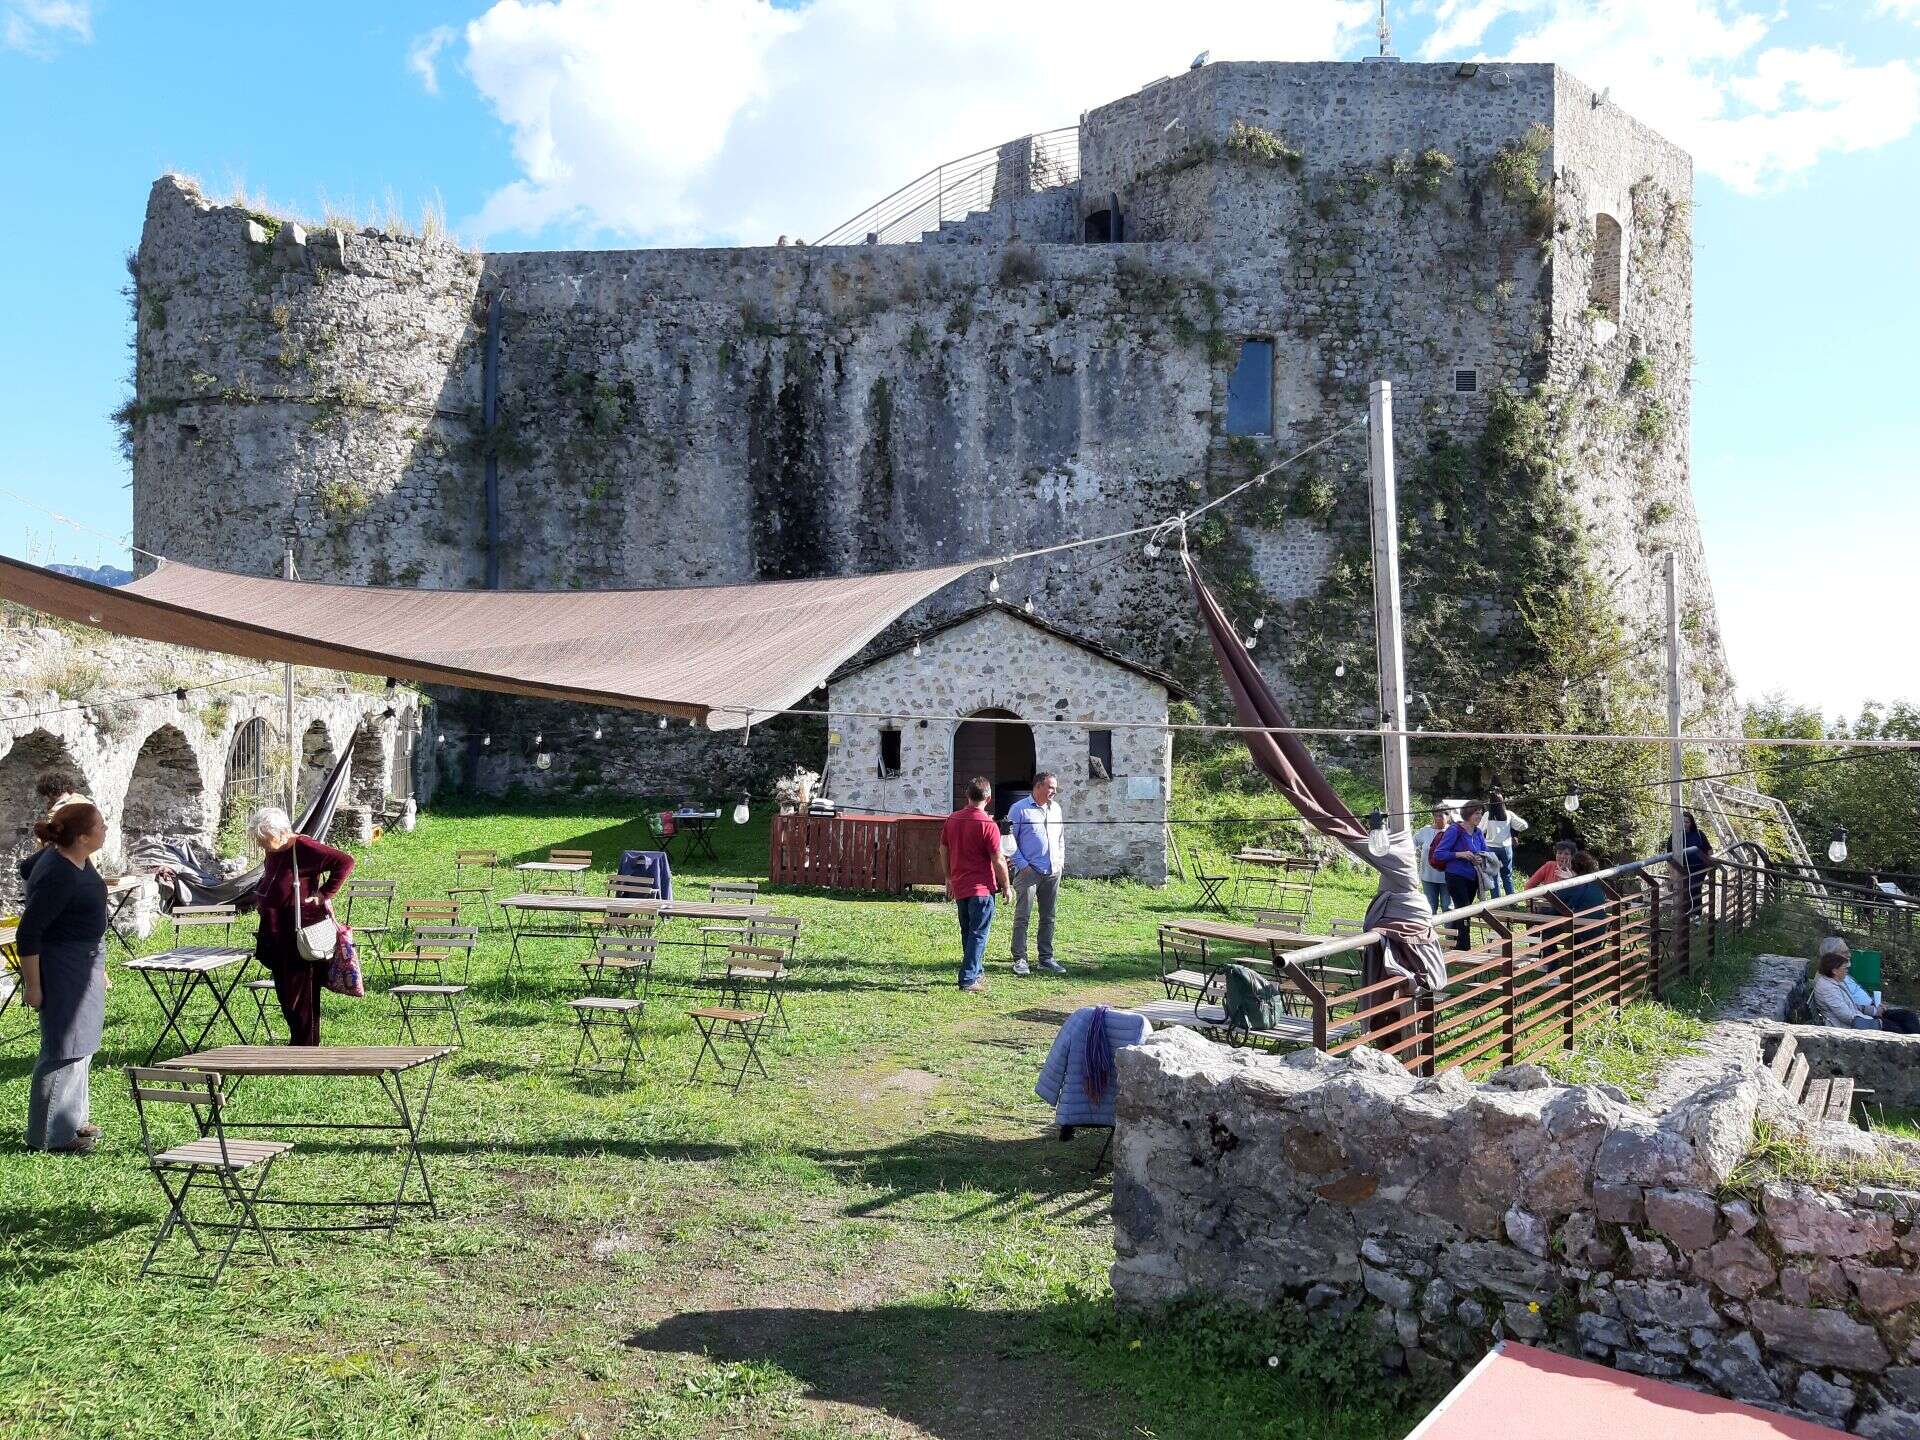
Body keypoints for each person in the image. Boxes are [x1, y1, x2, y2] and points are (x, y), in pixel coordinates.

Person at [16, 795, 110, 1155]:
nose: (105, 830)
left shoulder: (72, 857)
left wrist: (98, 968)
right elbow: (29, 933)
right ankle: (51, 1135)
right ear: (82, 836)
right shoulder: (58, 873)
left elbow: (25, 867)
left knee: (83, 1043)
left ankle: (73, 1118)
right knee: (64, 1047)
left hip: (85, 959)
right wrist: (33, 985)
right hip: (62, 964)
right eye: (99, 826)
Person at [240, 806, 353, 1046]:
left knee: (301, 992)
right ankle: (299, 1041)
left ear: (281, 833)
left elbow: (344, 862)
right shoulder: (275, 848)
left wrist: (324, 894)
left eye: (265, 840)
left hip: (299, 932)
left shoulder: (303, 848)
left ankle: (305, 1046)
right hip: (276, 930)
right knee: (286, 990)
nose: (262, 845)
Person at [939, 777, 1011, 993]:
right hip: (981, 888)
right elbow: (998, 859)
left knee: (968, 932)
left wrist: (948, 877)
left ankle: (976, 972)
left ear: (967, 796)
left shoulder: (953, 819)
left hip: (960, 885)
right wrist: (1006, 885)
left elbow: (943, 849)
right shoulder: (987, 824)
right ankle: (969, 979)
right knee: (978, 933)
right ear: (988, 798)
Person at [1007, 772, 1067, 977]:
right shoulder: (1019, 809)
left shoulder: (1056, 809)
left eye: (1055, 788)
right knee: (1023, 917)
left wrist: (1060, 862)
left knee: (1048, 917)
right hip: (1029, 872)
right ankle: (1020, 958)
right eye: (1051, 787)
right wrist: (1022, 865)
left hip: (1052, 871)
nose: (1054, 791)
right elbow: (1009, 841)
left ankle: (1046, 958)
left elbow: (1060, 838)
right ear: (1038, 787)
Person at [1815, 936, 1920, 1033]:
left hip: (1867, 1015)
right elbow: (1846, 1016)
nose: (1849, 955)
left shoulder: (1834, 977)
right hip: (1857, 1026)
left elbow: (1852, 1005)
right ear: (1832, 959)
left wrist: (1874, 1011)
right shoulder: (1828, 985)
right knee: (1898, 1028)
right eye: (1844, 952)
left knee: (1908, 1017)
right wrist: (1876, 1022)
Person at [1430, 803, 1488, 950]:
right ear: (1467, 814)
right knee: (1464, 909)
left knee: (1464, 909)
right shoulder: (1455, 830)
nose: (1479, 816)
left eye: (1480, 813)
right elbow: (1439, 854)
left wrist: (1481, 858)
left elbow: (1485, 852)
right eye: (1476, 813)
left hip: (1473, 877)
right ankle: (1464, 946)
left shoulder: (1478, 832)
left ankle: (1455, 941)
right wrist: (1460, 854)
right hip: (1456, 876)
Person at [1481, 792, 1529, 898]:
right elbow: (1524, 825)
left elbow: (1480, 830)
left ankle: (1496, 901)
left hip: (1490, 848)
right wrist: (1513, 831)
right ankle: (1511, 900)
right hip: (1505, 848)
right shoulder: (1508, 814)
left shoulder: (1487, 815)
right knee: (1507, 875)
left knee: (1493, 875)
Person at [1413, 804, 1454, 914]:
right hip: (1428, 876)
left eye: (1441, 816)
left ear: (1448, 817)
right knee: (1430, 907)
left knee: (1447, 907)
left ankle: (1451, 930)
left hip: (1447, 876)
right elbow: (1412, 843)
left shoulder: (1453, 832)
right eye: (1436, 816)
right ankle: (1432, 930)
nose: (1438, 819)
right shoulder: (1425, 831)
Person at [1680, 811, 1712, 918]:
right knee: (1684, 889)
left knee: (1694, 888)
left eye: (1687, 822)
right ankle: (1686, 914)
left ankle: (1697, 914)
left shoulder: (1699, 834)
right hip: (1682, 868)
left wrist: (1709, 863)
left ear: (1691, 823)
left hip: (1699, 867)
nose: (1684, 824)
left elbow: (1709, 850)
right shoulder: (1675, 836)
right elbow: (1669, 853)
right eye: (1682, 822)